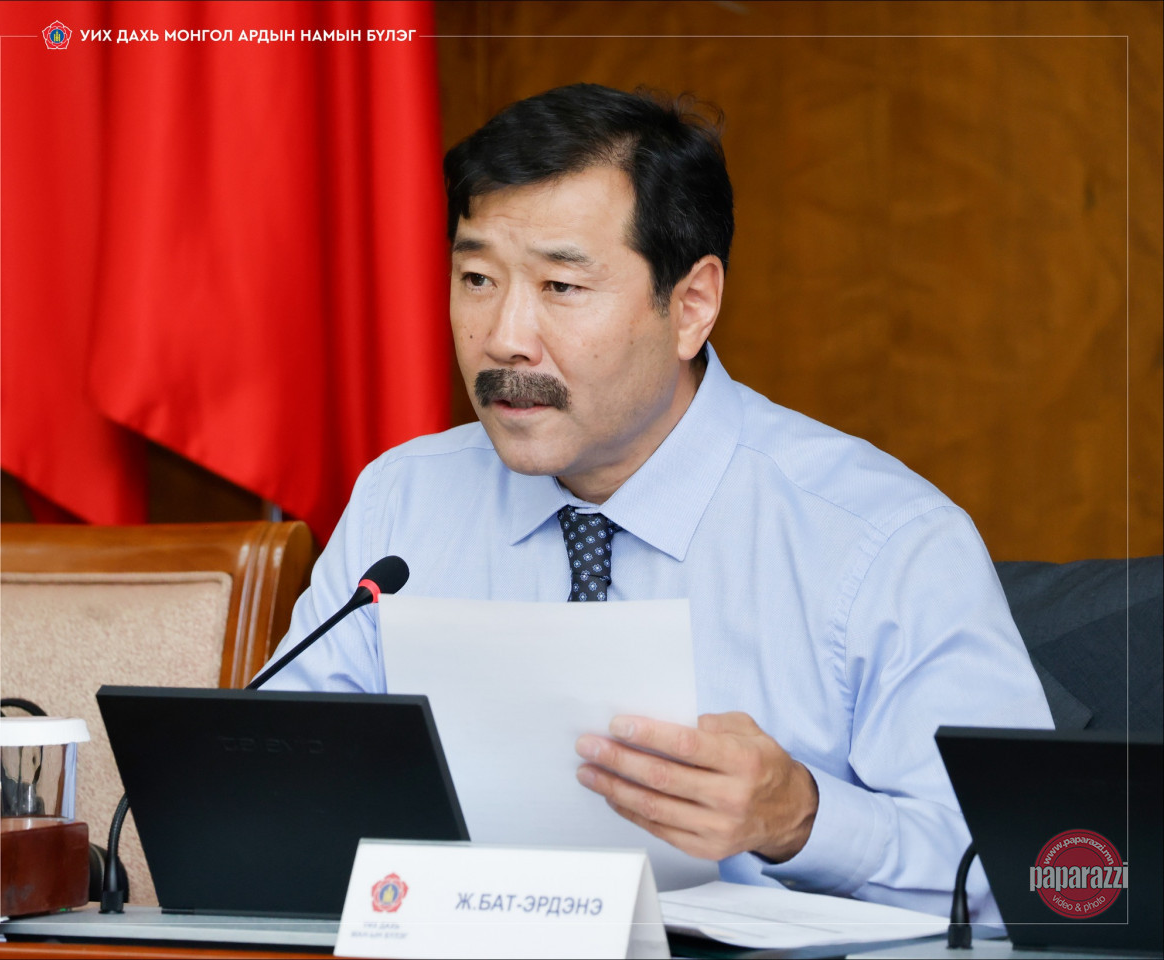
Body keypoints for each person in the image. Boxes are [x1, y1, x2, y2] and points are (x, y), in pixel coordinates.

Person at [259, 83, 1053, 921]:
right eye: (478, 278)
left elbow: (1039, 869)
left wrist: (803, 819)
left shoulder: (883, 540)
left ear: (691, 307)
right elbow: (275, 788)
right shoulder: (402, 501)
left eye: (561, 286)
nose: (503, 338)